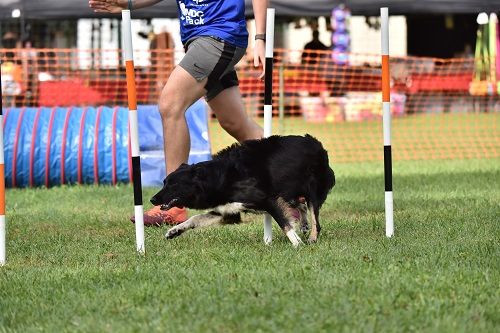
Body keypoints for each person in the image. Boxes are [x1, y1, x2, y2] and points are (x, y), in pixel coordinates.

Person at [89, 0, 267, 225]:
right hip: (200, 40)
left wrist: (260, 38)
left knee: (170, 105)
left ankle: (173, 203)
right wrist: (128, 3)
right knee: (235, 123)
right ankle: (290, 174)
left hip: (219, 35)